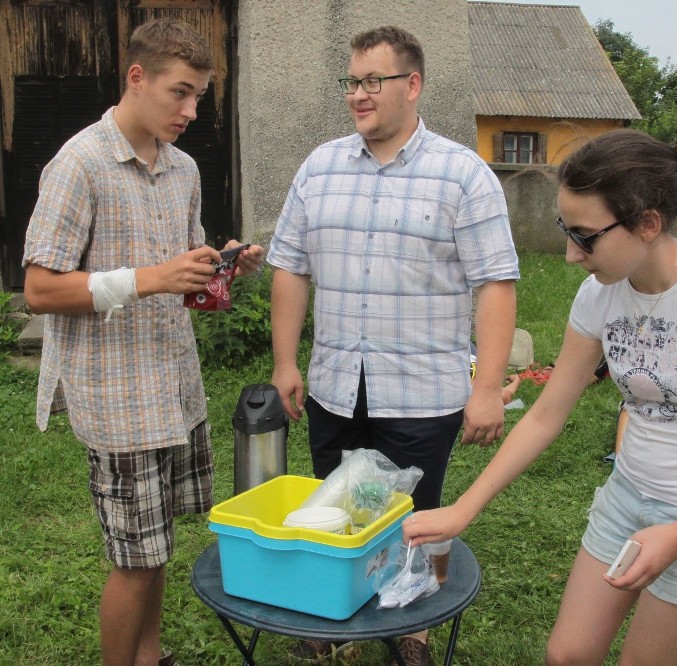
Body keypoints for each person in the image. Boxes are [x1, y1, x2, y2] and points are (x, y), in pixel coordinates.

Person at [404, 130, 677, 666]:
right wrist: (464, 508)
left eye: (585, 236)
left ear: (647, 224)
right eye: (565, 229)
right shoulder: (600, 293)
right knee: (567, 655)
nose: (572, 255)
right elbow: (547, 413)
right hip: (629, 496)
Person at [267, 25, 519, 666]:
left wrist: (486, 388)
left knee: (420, 513)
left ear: (412, 85)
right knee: (332, 505)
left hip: (422, 391)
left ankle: (413, 631)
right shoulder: (319, 166)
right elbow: (291, 267)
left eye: (371, 81)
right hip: (332, 383)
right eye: (352, 81)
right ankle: (330, 620)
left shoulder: (463, 174)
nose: (358, 94)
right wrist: (285, 360)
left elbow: (495, 283)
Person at [22, 19, 264, 666]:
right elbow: (41, 290)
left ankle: (149, 658)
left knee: (156, 546)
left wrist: (218, 271)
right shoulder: (79, 163)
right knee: (133, 561)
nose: (190, 111)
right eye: (180, 93)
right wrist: (148, 279)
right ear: (137, 77)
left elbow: (181, 282)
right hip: (117, 399)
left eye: (199, 97)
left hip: (174, 389)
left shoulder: (182, 167)